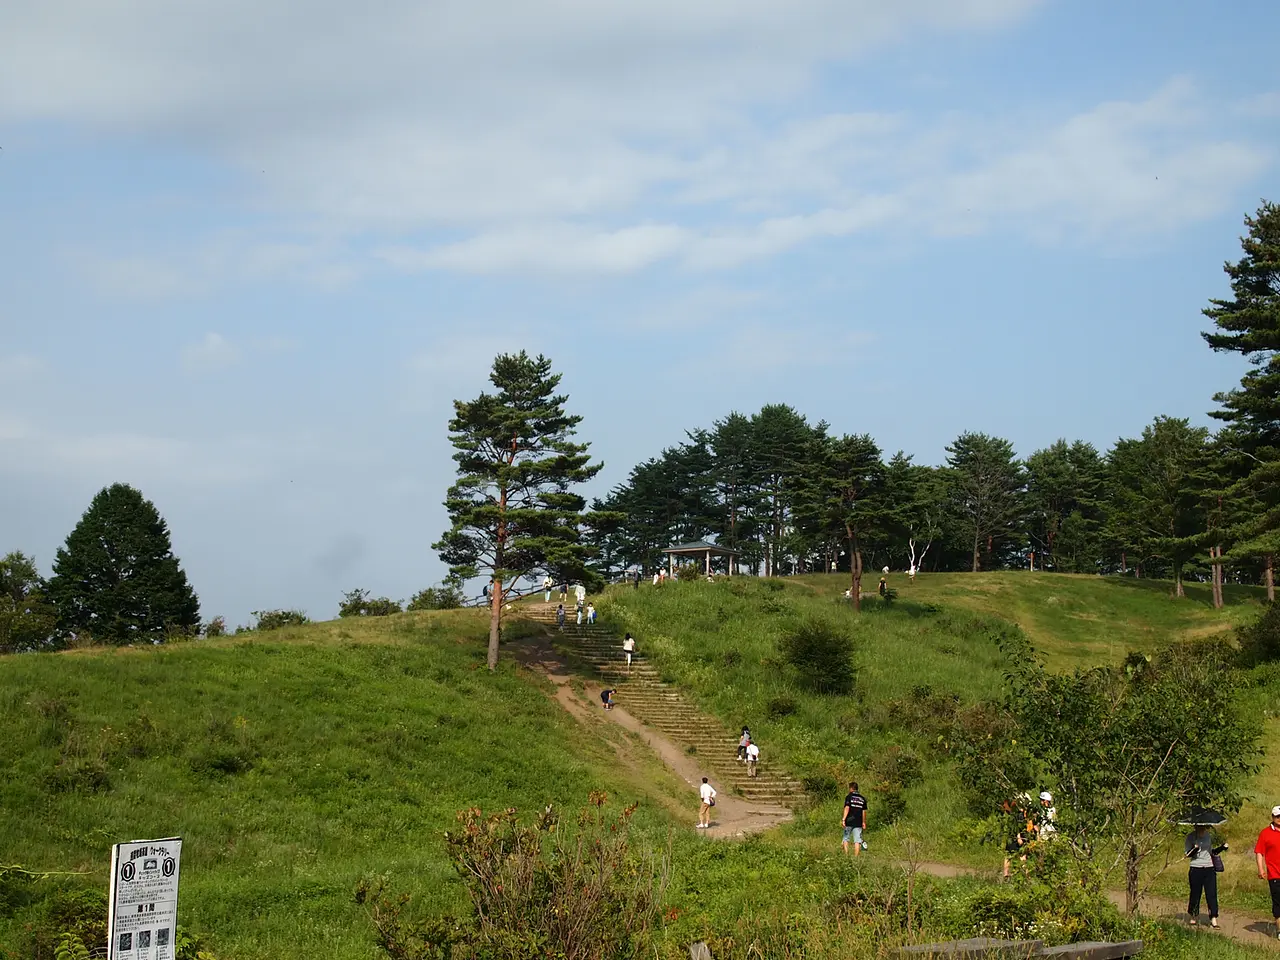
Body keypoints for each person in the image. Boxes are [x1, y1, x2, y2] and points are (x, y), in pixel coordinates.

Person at [1186, 824, 1226, 927]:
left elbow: (1211, 852)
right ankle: (1193, 916)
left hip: (1209, 868)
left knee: (1211, 893)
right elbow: (1187, 854)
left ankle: (1213, 918)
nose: (1202, 829)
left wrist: (1222, 847)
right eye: (1200, 827)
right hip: (1196, 868)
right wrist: (1195, 849)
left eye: (1204, 827)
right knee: (1195, 893)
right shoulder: (1191, 837)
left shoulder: (1208, 836)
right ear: (1195, 826)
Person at [1255, 805, 1280, 938]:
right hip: (1275, 874)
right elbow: (1259, 852)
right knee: (1278, 903)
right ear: (1272, 817)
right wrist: (1261, 869)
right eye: (1277, 816)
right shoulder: (1265, 833)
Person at [842, 781, 868, 855]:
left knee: (846, 838)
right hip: (859, 821)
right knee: (857, 840)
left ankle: (846, 856)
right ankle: (856, 857)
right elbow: (863, 811)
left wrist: (844, 819)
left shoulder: (849, 797)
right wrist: (863, 822)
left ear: (851, 788)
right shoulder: (862, 799)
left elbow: (847, 808)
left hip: (849, 820)